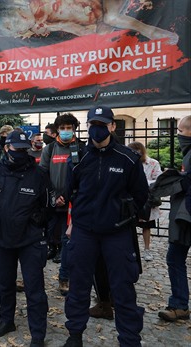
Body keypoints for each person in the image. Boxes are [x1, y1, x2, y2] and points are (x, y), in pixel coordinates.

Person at [63, 106, 148, 347]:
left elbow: (140, 195)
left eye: (103, 124)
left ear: (112, 126)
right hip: (85, 233)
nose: (97, 129)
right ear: (88, 126)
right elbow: (70, 192)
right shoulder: (79, 159)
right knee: (78, 285)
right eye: (93, 124)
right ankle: (75, 334)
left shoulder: (128, 159)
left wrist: (122, 213)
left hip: (117, 234)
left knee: (122, 289)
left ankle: (129, 340)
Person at [0, 130, 54, 347]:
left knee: (34, 288)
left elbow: (47, 207)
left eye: (25, 150)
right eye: (18, 149)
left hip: (30, 240)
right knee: (4, 284)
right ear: (7, 148)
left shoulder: (39, 174)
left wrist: (34, 223)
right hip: (3, 240)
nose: (22, 153)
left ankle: (38, 333)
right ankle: (7, 321)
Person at [149, 115, 191, 322]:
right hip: (185, 215)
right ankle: (179, 304)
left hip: (187, 218)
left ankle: (179, 304)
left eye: (181, 131)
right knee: (175, 258)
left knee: (174, 259)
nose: (178, 135)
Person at [0, 0, 179, 44]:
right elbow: (90, 32)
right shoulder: (43, 24)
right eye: (11, 32)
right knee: (103, 34)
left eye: (10, 27)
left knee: (112, 18)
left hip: (105, 5)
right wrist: (56, 26)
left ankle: (153, 32)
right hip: (100, 15)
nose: (16, 32)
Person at [40, 113, 84, 295]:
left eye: (69, 128)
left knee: (69, 241)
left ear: (74, 129)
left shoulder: (81, 148)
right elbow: (42, 174)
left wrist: (68, 196)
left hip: (72, 203)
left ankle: (64, 277)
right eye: (62, 128)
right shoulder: (49, 149)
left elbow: (83, 176)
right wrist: (54, 196)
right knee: (52, 236)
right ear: (57, 130)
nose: (66, 131)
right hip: (53, 202)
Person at [127, 141, 161, 261]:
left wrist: (143, 183)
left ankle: (147, 249)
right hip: (131, 199)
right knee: (129, 225)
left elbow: (158, 180)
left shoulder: (153, 163)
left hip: (147, 199)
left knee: (146, 226)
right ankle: (130, 249)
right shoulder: (128, 161)